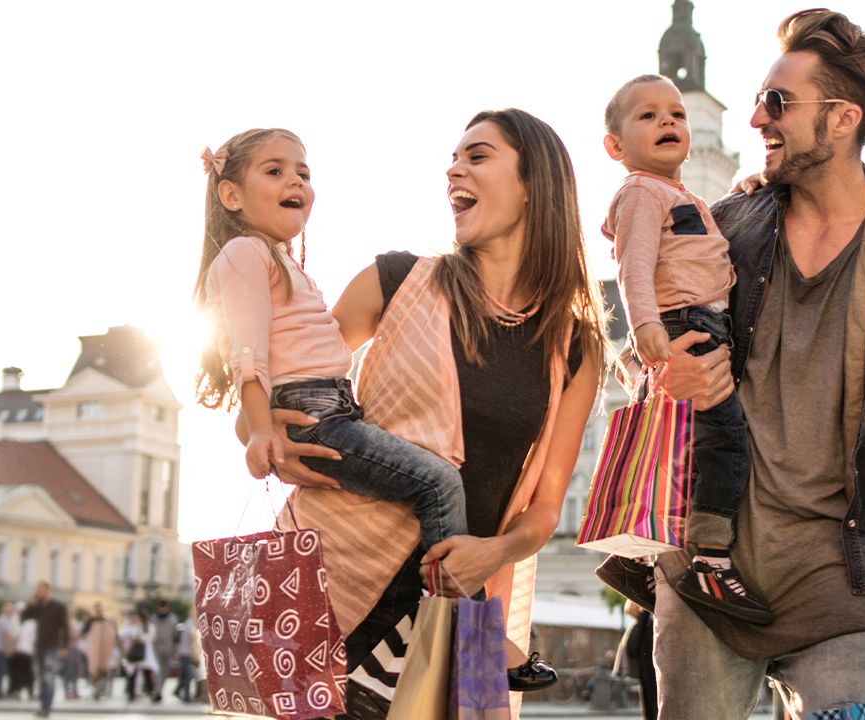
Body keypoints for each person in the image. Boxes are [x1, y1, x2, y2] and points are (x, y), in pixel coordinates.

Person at [637, 8, 865, 717]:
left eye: (778, 103)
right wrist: (660, 373)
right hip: (706, 589)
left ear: (841, 119)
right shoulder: (725, 228)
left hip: (843, 600)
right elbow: (641, 353)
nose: (755, 120)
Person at [259, 107, 605, 719]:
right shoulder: (395, 282)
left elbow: (546, 508)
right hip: (330, 583)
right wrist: (258, 425)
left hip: (447, 617)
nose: (454, 170)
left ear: (533, 185)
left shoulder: (574, 347)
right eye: (453, 158)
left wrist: (493, 552)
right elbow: (295, 384)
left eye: (477, 156)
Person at [196, 129, 469, 559]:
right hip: (315, 413)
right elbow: (248, 354)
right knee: (439, 482)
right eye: (275, 171)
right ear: (231, 195)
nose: (296, 182)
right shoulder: (245, 253)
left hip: (332, 408)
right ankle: (461, 615)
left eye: (303, 173)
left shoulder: (281, 261)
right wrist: (260, 430)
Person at [595, 73, 765, 623]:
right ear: (615, 147)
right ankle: (713, 559)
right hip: (683, 324)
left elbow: (699, 247)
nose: (668, 121)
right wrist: (645, 325)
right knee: (723, 443)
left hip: (693, 321)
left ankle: (630, 558)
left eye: (677, 114)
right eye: (648, 116)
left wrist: (741, 194)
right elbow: (634, 263)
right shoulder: (642, 191)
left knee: (670, 446)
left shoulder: (678, 194)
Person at [24, 582, 75, 717]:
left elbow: (65, 627)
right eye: (37, 589)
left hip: (52, 646)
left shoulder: (58, 607)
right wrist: (30, 604)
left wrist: (64, 646)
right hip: (39, 646)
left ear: (47, 590)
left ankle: (47, 707)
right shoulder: (38, 607)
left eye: (41, 589)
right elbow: (24, 617)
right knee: (40, 678)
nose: (39, 592)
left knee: (49, 677)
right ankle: (43, 705)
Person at [83, 604, 119, 700]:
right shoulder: (91, 622)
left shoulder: (107, 622)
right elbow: (85, 634)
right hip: (94, 650)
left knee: (104, 670)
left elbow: (112, 636)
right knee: (94, 670)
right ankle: (96, 690)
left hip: (104, 650)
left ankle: (101, 690)